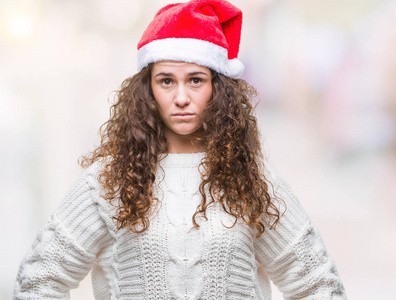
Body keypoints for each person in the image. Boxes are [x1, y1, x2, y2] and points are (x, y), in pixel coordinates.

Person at [14, 0, 347, 299]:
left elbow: (318, 286)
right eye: (166, 81)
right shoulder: (109, 180)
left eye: (196, 80)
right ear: (147, 90)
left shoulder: (251, 179)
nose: (182, 97)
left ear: (219, 89)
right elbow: (39, 280)